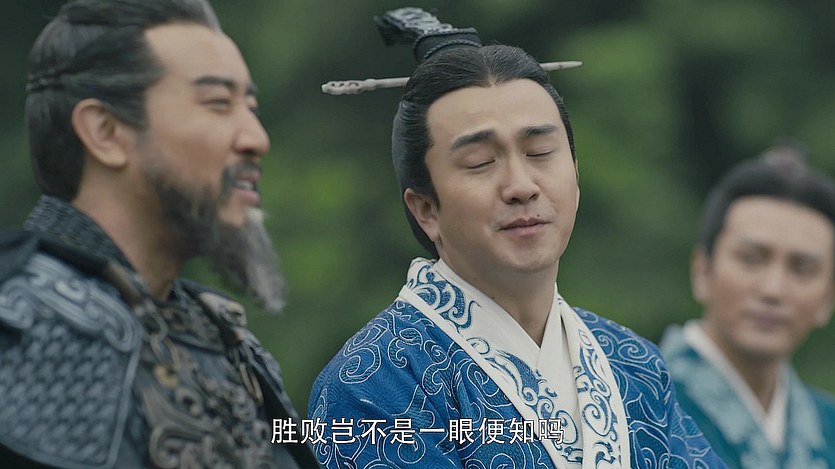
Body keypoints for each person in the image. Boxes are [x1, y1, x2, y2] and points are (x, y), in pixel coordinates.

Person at [308, 7, 725, 468]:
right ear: (426, 209)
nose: (521, 186)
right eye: (480, 163)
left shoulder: (634, 364)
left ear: (576, 175)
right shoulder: (374, 383)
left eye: (540, 152)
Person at [0, 0, 319, 467]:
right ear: (106, 131)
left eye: (250, 107)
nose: (256, 138)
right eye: (218, 104)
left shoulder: (229, 342)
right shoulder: (24, 324)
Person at [659, 143, 835, 468]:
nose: (773, 290)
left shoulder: (829, 427)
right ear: (702, 270)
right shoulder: (631, 403)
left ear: (828, 298)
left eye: (802, 269)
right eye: (751, 259)